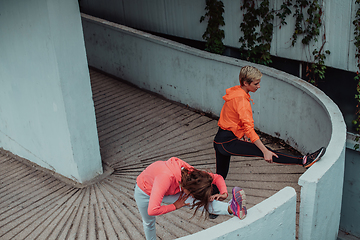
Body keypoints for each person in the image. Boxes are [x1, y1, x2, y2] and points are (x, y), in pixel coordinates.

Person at [213, 65, 326, 182]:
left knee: (219, 177)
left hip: (221, 140)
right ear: (246, 83)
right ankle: (303, 160)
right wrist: (265, 151)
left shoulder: (236, 91)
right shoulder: (241, 100)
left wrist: (243, 133)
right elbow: (249, 128)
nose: (259, 86)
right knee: (265, 151)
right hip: (226, 143)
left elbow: (231, 116)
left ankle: (203, 195)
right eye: (256, 84)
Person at [134, 157, 247, 240]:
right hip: (145, 192)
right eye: (193, 194)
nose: (192, 197)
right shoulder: (165, 178)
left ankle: (232, 208)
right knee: (149, 222)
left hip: (172, 188)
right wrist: (175, 206)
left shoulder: (193, 174)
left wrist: (224, 193)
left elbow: (217, 177)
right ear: (189, 189)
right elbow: (152, 210)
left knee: (198, 201)